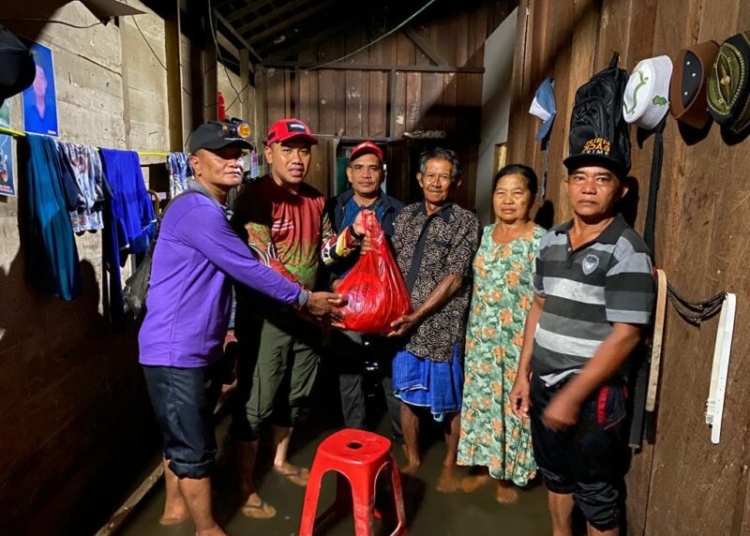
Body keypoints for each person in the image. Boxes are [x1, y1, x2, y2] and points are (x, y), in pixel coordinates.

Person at [138, 119, 342, 536]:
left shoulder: (216, 208)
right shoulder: (200, 212)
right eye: (222, 155)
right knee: (195, 444)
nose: (234, 162)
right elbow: (250, 268)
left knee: (183, 433)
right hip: (177, 350)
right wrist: (305, 299)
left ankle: (174, 513)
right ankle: (208, 528)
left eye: (236, 154)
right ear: (195, 164)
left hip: (195, 347)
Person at [510, 141, 655, 536]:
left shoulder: (627, 250)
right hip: (545, 385)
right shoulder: (552, 239)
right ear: (569, 184)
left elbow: (628, 335)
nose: (588, 188)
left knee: (596, 495)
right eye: (579, 178)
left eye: (601, 179)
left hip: (594, 398)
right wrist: (524, 375)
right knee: (555, 476)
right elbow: (538, 307)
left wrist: (572, 397)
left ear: (620, 190)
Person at [229, 118, 332, 519]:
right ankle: (243, 483)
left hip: (309, 315)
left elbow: (327, 251)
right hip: (269, 316)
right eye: (287, 149)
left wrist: (353, 238)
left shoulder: (317, 200)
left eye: (304, 150)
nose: (297, 158)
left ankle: (278, 460)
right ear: (268, 152)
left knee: (296, 393)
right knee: (257, 400)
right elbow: (264, 263)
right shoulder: (255, 198)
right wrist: (306, 301)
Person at [378, 147, 480, 492]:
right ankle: (414, 457)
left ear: (457, 181)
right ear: (420, 179)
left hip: (441, 326)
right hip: (403, 325)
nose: (437, 182)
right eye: (430, 175)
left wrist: (416, 315)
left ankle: (450, 463)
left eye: (445, 176)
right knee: (406, 395)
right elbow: (389, 264)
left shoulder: (466, 222)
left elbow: (455, 277)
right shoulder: (404, 217)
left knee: (450, 401)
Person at [457, 164, 546, 503]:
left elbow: (545, 301)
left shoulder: (542, 240)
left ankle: (510, 476)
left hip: (518, 343)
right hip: (480, 340)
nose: (508, 200)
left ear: (532, 198)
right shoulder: (484, 235)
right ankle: (484, 466)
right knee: (481, 404)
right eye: (500, 192)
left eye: (517, 192)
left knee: (515, 407)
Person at [320, 141, 405, 443]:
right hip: (346, 301)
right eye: (359, 168)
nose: (366, 175)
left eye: (373, 168)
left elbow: (405, 262)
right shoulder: (334, 208)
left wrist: (384, 249)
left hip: (385, 305)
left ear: (382, 174)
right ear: (350, 174)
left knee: (391, 371)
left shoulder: (398, 210)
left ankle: (401, 439)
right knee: (349, 371)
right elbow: (323, 254)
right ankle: (355, 437)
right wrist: (332, 285)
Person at [23, 63, 57, 136]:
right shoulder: (25, 107)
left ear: (46, 82)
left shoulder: (52, 107)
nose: (38, 83)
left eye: (41, 77)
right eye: (35, 78)